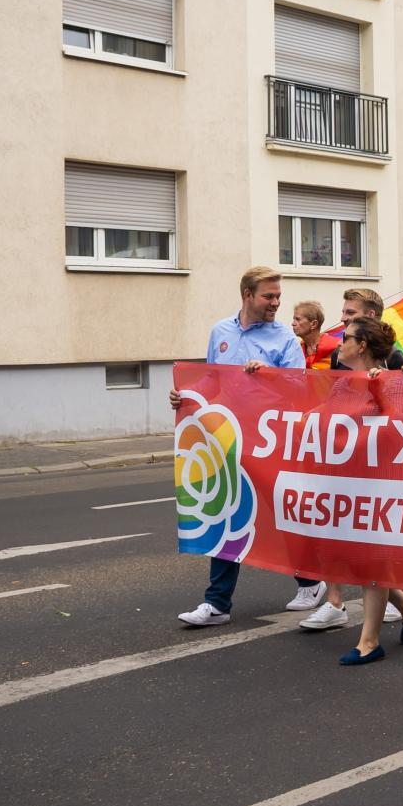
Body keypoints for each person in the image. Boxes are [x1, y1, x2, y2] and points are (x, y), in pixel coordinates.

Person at [171, 267, 320, 628]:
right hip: (230, 437)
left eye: (278, 296)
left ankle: (311, 580)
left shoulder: (285, 338)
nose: (276, 303)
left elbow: (299, 391)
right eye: (269, 296)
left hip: (270, 440)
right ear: (247, 295)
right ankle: (217, 604)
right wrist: (186, 397)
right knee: (229, 512)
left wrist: (268, 374)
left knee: (277, 513)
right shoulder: (221, 331)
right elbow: (211, 379)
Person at [332, 317, 403, 665]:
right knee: (357, 558)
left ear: (362, 346)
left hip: (387, 481)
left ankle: (369, 641)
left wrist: (377, 392)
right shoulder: (342, 384)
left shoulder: (397, 382)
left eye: (346, 338)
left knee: (373, 558)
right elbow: (319, 418)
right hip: (353, 480)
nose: (340, 344)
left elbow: (401, 426)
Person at [328, 288, 403, 370]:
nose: (343, 318)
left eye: (350, 312)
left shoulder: (393, 356)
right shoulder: (338, 354)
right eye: (343, 312)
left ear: (370, 315)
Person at [291, 300, 329, 369]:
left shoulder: (334, 349)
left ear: (314, 324)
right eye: (294, 319)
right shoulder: (296, 350)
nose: (293, 323)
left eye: (298, 319)